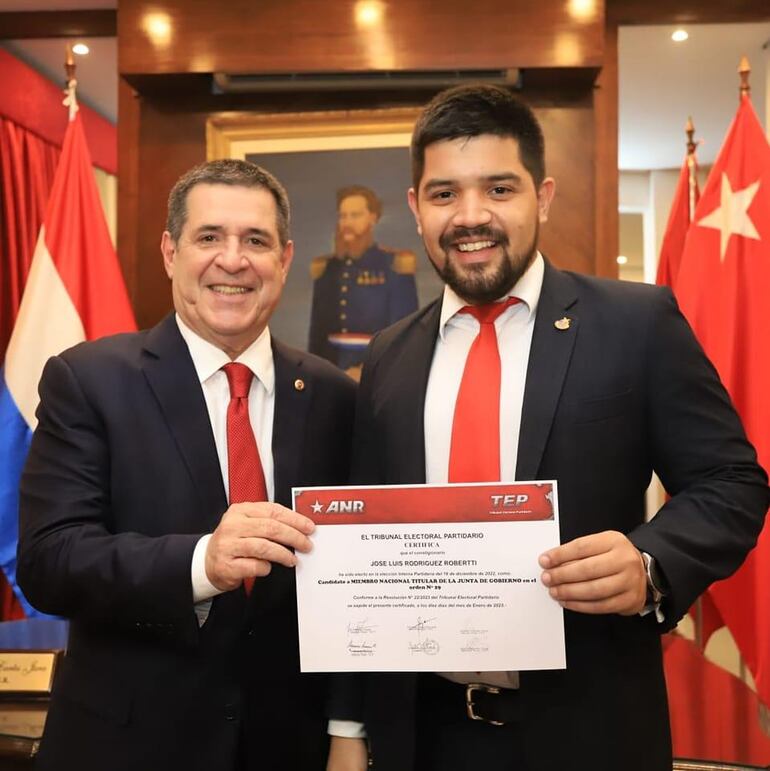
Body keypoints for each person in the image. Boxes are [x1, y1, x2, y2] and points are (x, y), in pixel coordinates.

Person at [325, 85, 769, 771]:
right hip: (426, 735)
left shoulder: (636, 323)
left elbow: (732, 482)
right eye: (444, 194)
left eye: (499, 188)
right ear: (416, 209)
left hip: (590, 731)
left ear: (544, 195)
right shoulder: (388, 354)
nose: (471, 217)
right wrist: (350, 725)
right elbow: (363, 543)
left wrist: (650, 561)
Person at [18, 159, 356, 771]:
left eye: (255, 241)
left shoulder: (335, 395)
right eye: (209, 237)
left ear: (283, 259)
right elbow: (49, 562)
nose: (233, 260)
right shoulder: (88, 380)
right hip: (125, 749)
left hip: (288, 748)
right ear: (171, 253)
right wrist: (203, 562)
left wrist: (348, 731)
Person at [308, 185, 419, 378]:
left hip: (378, 375)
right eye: (343, 216)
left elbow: (404, 337)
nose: (347, 222)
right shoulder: (326, 270)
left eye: (355, 215)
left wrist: (364, 372)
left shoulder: (395, 266)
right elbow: (317, 339)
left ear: (373, 218)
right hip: (329, 376)